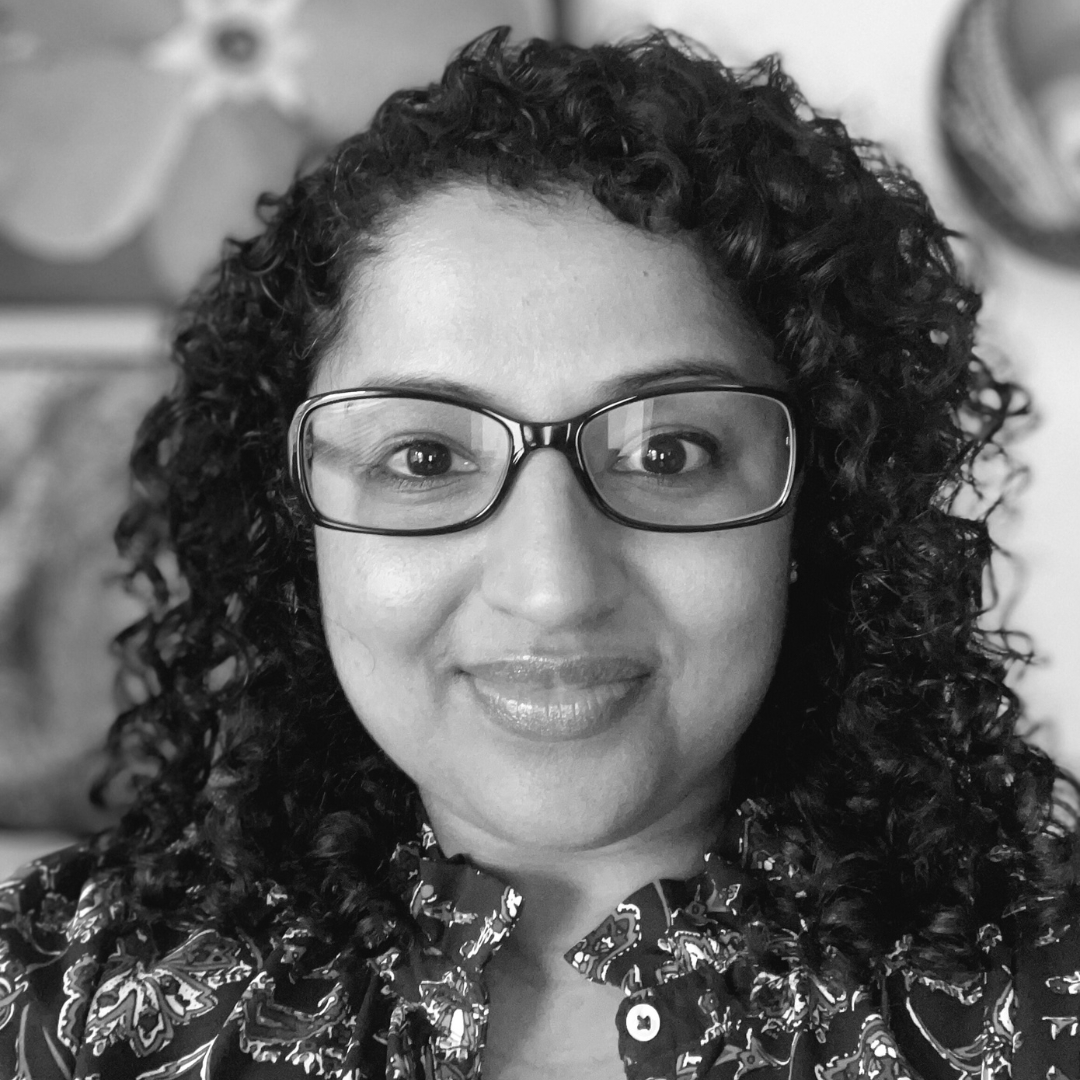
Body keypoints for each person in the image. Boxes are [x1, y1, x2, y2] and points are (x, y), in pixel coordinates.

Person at [2, 26, 1078, 1080]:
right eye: (424, 458)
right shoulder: (54, 1006)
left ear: (819, 506)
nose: (553, 586)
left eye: (667, 450)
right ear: (296, 527)